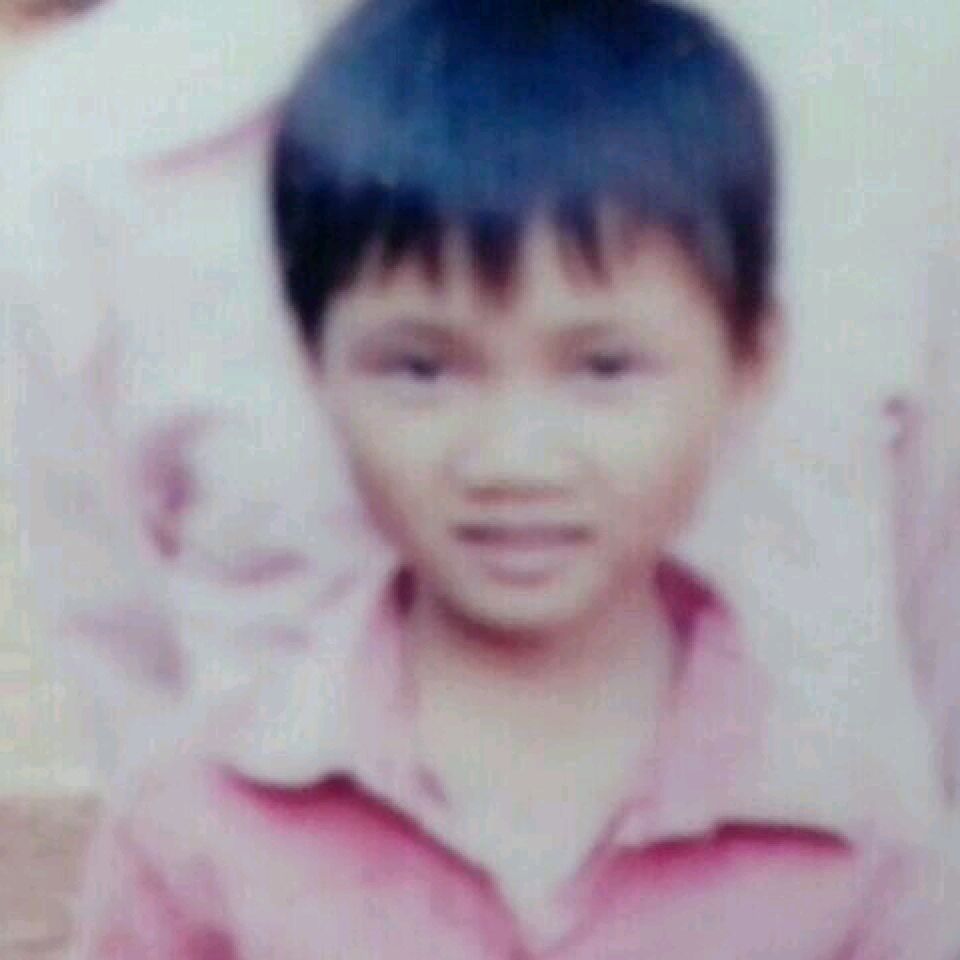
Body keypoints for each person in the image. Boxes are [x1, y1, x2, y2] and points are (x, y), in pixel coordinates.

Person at [67, 1, 958, 956]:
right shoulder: (201, 820)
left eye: (603, 368)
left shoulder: (855, 833)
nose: (512, 461)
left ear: (750, 363)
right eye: (422, 369)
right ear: (312, 364)